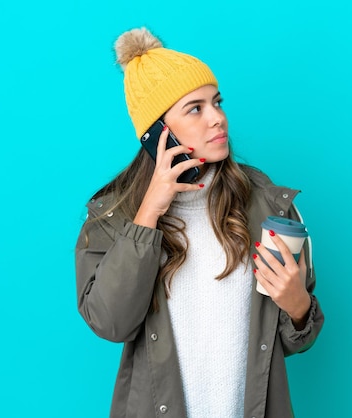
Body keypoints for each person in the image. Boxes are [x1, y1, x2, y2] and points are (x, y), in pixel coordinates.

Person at [75, 27, 324, 418]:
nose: (218, 119)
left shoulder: (268, 205)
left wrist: (298, 306)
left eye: (217, 102)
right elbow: (110, 323)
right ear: (157, 132)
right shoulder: (114, 216)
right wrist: (148, 215)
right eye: (196, 108)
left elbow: (293, 340)